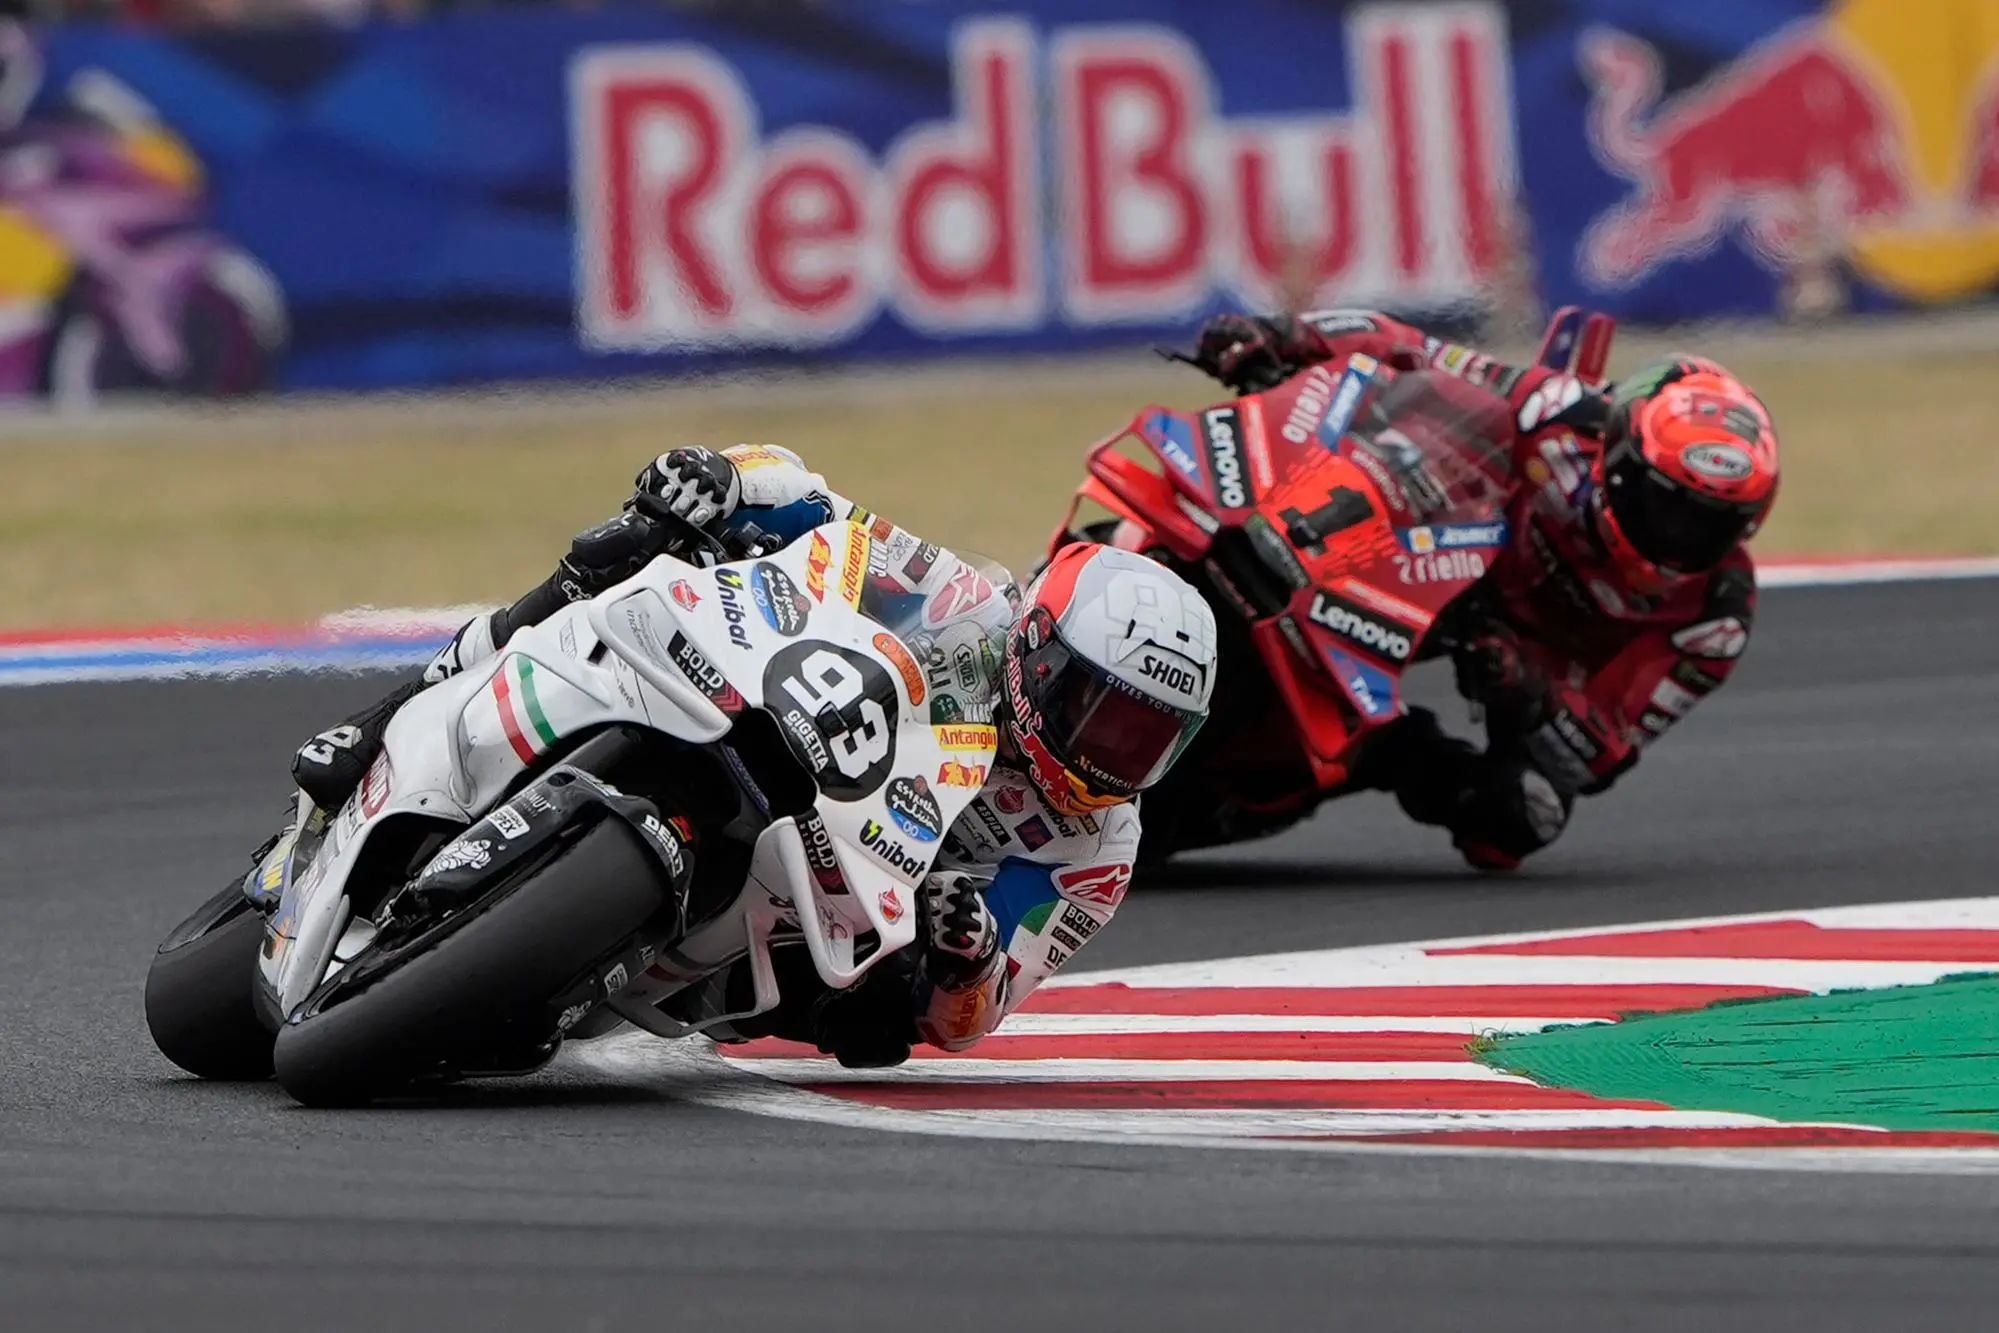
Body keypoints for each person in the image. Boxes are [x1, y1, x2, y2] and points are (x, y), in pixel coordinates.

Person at [291, 443, 1218, 1064]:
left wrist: (965, 955)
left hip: (835, 901)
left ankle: (574, 963)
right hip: (763, 708)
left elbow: (978, 1014)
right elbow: (818, 505)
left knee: (877, 1025)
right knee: (620, 556)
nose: (1112, 754)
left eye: (1145, 741)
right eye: (1103, 715)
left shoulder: (1096, 850)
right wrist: (719, 483)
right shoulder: (971, 601)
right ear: (1041, 654)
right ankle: (384, 720)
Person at [1189, 310, 1779, 870]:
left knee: (1521, 817)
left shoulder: (1714, 618)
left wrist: (1528, 692)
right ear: (1619, 458)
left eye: (1713, 525)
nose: (1683, 538)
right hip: (1435, 541)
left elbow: (1605, 748)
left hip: (1515, 655)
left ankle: (1385, 753)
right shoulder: (1563, 416)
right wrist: (1283, 335)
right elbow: (1413, 349)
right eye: (1670, 506)